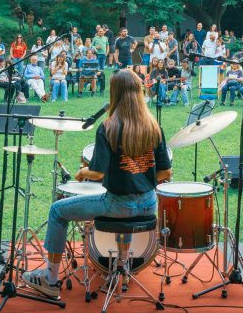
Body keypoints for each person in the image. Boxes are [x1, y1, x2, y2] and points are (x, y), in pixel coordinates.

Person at [21, 70, 173, 297]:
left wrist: (83, 171)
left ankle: (50, 280)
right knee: (126, 215)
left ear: (115, 94)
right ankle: (121, 266)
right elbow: (166, 171)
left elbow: (97, 172)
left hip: (117, 205)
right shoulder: (153, 126)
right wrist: (139, 179)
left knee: (57, 211)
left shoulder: (109, 127)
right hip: (149, 205)